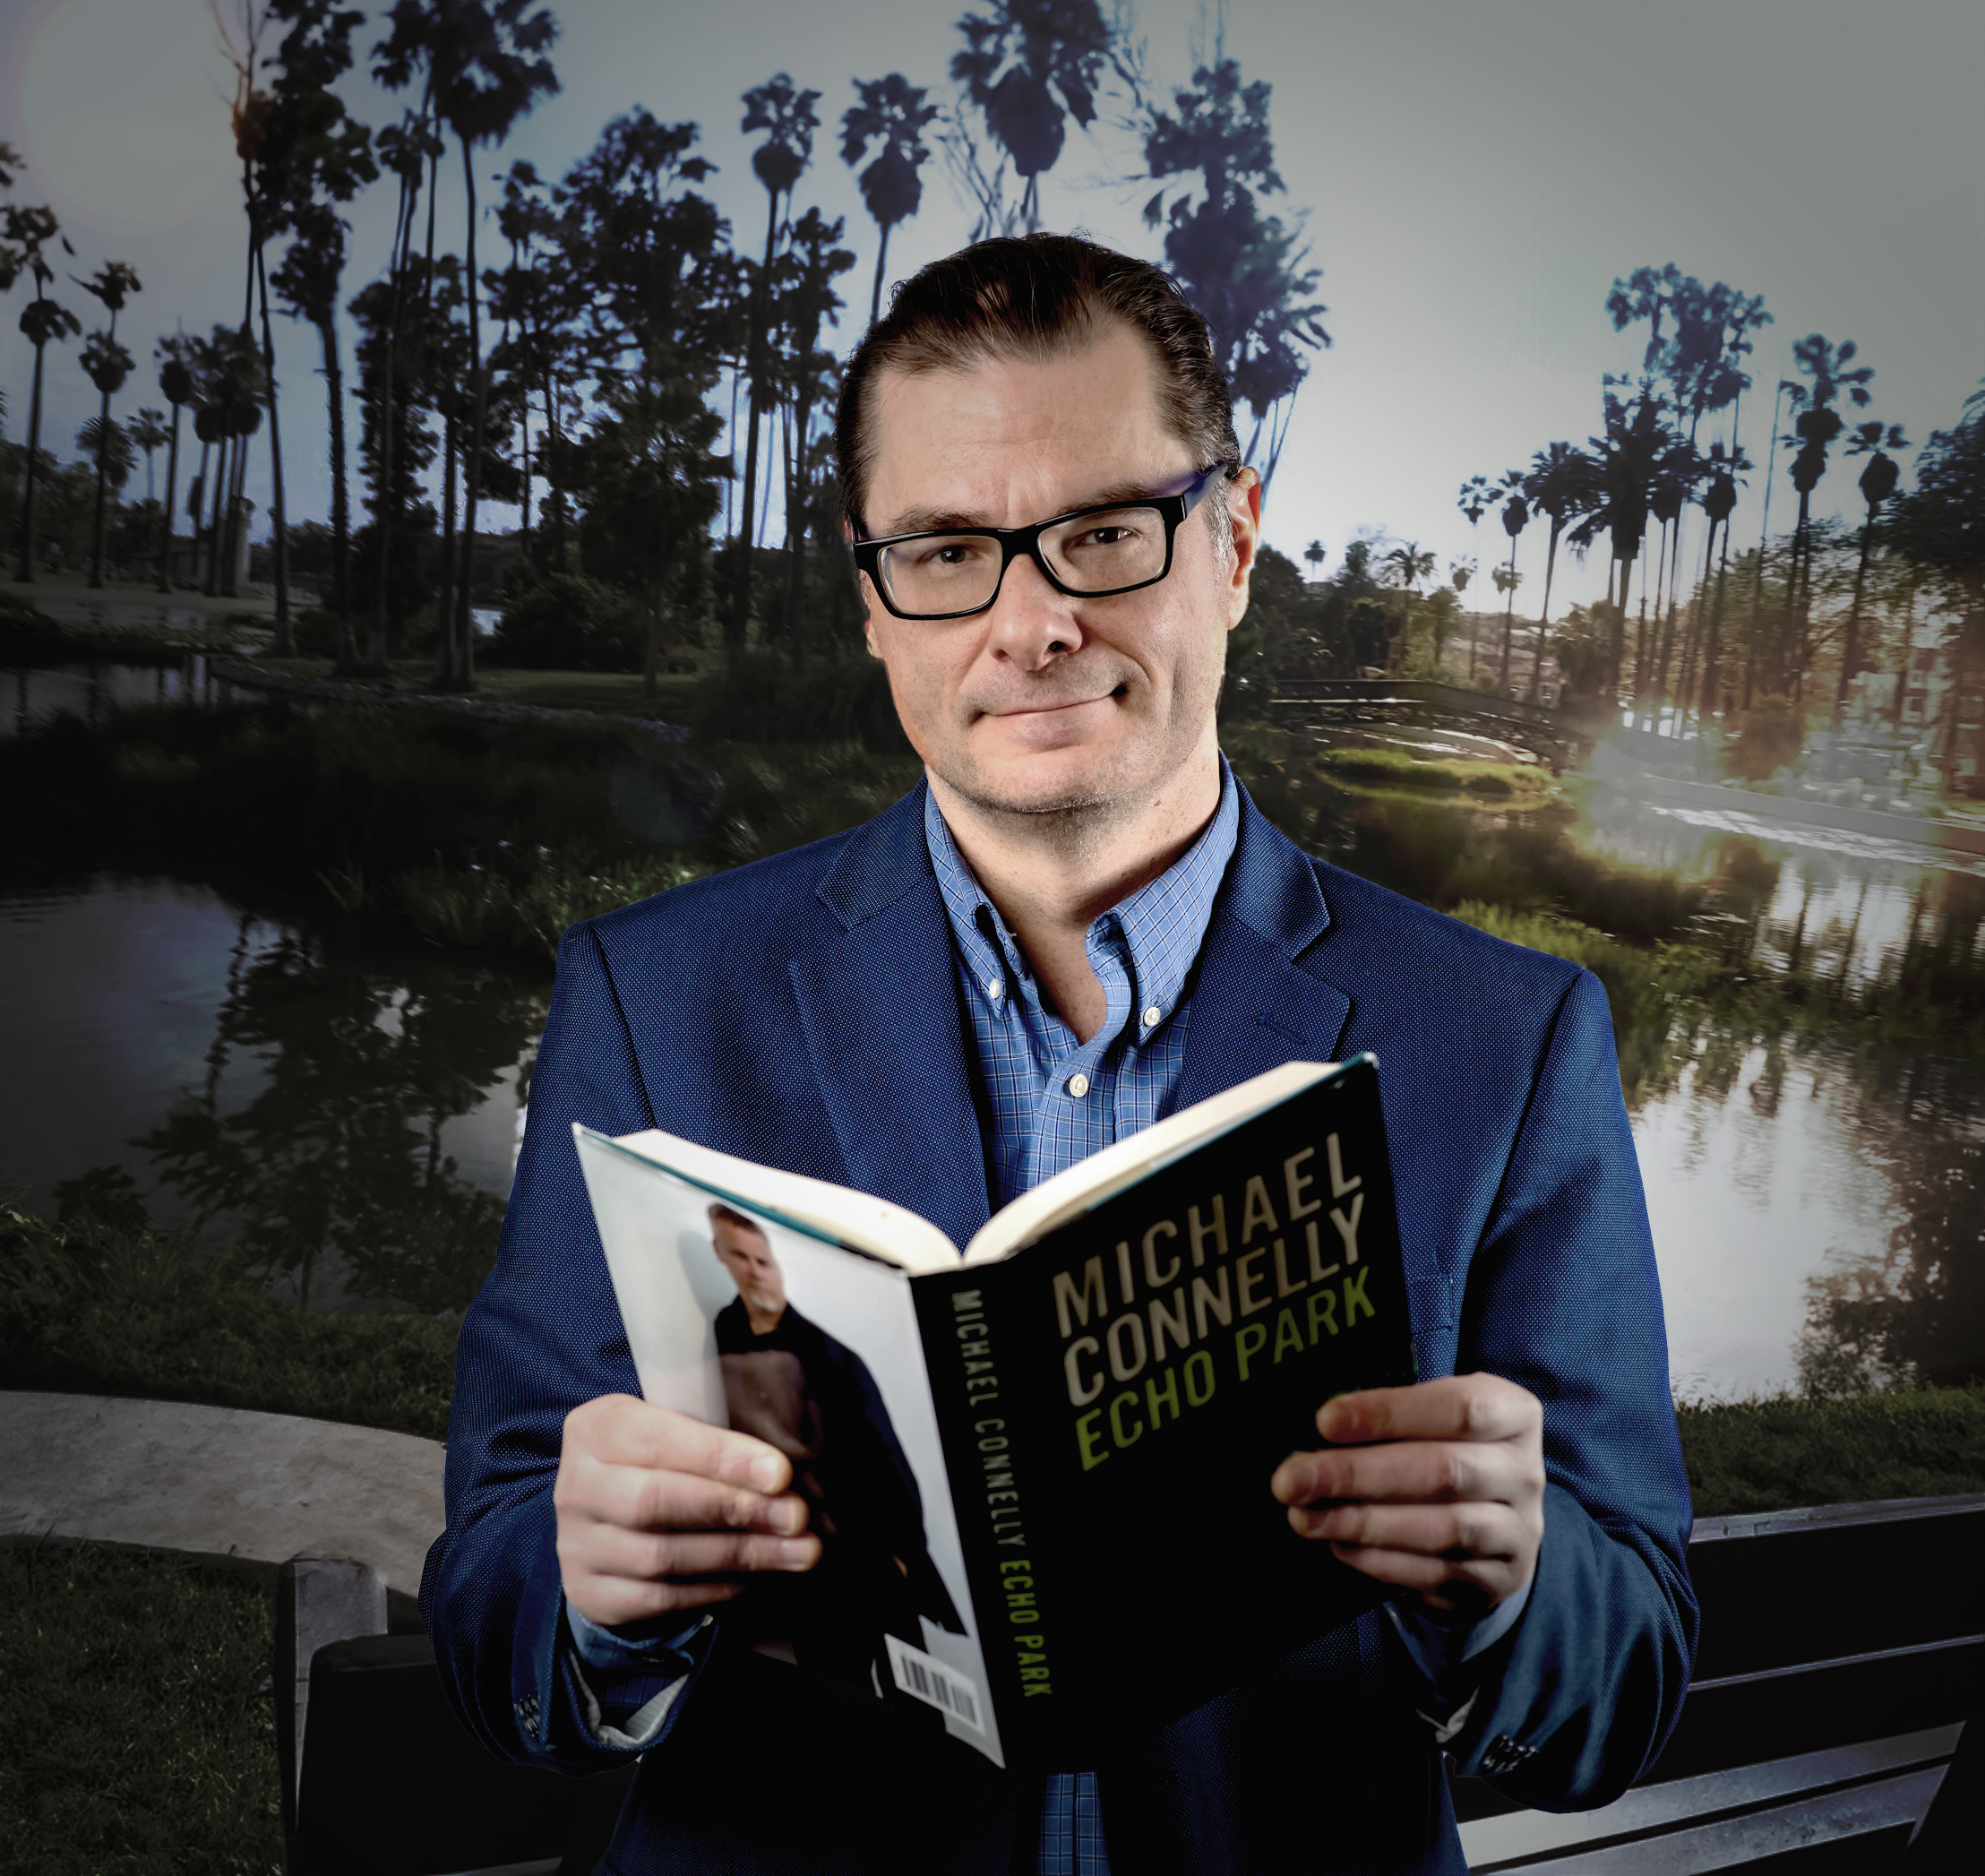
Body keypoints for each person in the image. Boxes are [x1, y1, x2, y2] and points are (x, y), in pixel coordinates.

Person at [422, 234, 1697, 1874]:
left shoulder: (1507, 1042)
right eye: (946, 550)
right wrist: (588, 1599)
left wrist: (1520, 1579)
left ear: (1231, 543)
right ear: (873, 603)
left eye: (1102, 532)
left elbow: (1633, 1678)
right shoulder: (653, 1001)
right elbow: (490, 1626)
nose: (1028, 622)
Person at [704, 1201, 964, 1692]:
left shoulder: (829, 1351)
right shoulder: (720, 1333)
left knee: (915, 1699)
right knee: (831, 1698)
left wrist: (903, 1553)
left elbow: (888, 1457)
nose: (755, 1273)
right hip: (800, 1565)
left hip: (869, 1552)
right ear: (720, 1252)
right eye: (741, 1258)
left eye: (763, 1261)